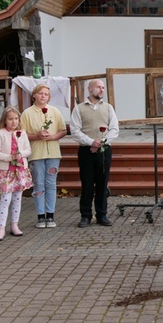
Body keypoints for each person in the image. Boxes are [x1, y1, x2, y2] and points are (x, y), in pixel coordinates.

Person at [70, 79, 119, 227]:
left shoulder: (109, 108)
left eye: (103, 87)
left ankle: (102, 215)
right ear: (90, 89)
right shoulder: (79, 108)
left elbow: (114, 129)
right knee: (87, 183)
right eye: (98, 87)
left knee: (102, 184)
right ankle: (85, 215)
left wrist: (100, 143)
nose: (102, 89)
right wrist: (91, 142)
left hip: (104, 150)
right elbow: (75, 130)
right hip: (86, 150)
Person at [20, 84, 67, 229]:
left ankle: (50, 214)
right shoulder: (27, 113)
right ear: (34, 95)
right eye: (40, 93)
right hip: (36, 153)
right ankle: (41, 215)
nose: (43, 96)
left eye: (46, 94)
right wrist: (36, 136)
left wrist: (53, 137)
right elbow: (22, 134)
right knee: (39, 183)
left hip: (52, 152)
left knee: (51, 183)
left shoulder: (54, 111)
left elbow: (63, 130)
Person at [0, 107, 33, 241]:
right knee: (5, 199)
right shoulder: (0, 134)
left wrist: (21, 154)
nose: (13, 122)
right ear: (5, 120)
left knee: (17, 198)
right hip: (6, 171)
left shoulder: (22, 133)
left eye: (16, 119)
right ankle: (1, 227)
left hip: (19, 171)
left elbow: (28, 150)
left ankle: (14, 224)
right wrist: (10, 157)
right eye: (10, 119)